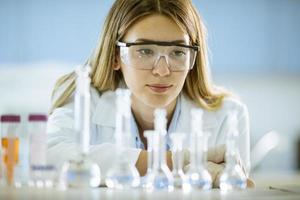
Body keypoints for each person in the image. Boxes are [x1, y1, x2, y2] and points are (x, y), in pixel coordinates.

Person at [47, 0, 253, 187]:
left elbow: (235, 184)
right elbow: (48, 156)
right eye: (144, 51)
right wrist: (179, 160)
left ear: (193, 59)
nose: (162, 70)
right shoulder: (86, 102)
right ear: (115, 56)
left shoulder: (228, 115)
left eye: (178, 52)